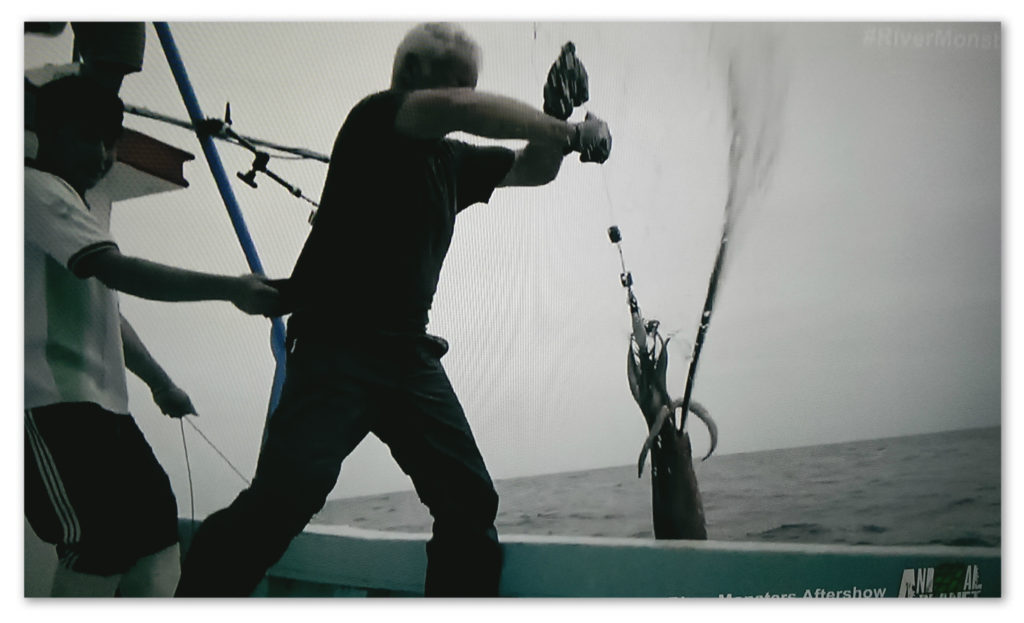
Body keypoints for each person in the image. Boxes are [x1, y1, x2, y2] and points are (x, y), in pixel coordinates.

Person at [174, 22, 611, 598]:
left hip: (408, 354)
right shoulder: (374, 120)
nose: (470, 96)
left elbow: (533, 170)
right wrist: (572, 130)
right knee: (285, 500)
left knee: (469, 500)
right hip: (335, 347)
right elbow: (461, 109)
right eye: (462, 84)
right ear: (415, 76)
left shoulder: (451, 162)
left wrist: (556, 117)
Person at [24, 74, 284, 597]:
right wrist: (231, 288)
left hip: (106, 409)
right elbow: (121, 272)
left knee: (157, 527)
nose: (103, 152)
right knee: (99, 541)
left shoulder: (78, 209)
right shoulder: (30, 188)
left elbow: (108, 310)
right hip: (50, 407)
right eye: (87, 136)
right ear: (45, 130)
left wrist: (159, 382)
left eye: (110, 139)